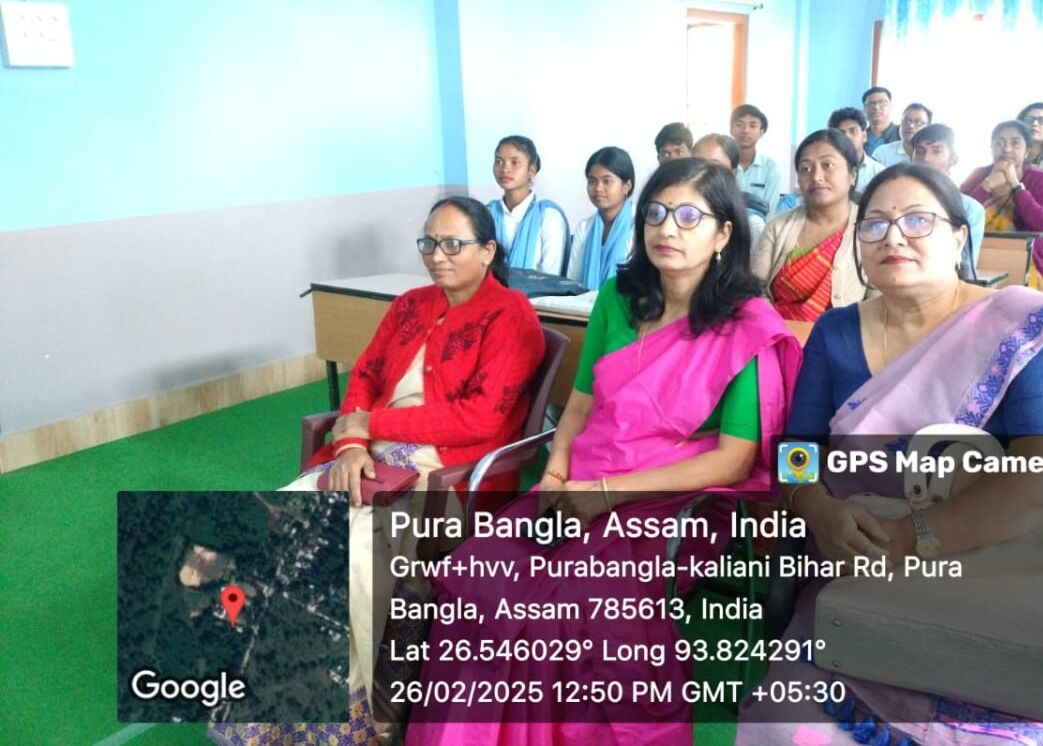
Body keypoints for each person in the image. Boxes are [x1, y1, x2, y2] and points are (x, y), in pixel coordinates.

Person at [737, 163, 1043, 746]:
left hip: (997, 572)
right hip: (859, 569)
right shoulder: (836, 332)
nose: (893, 237)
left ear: (959, 236)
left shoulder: (1014, 327)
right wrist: (817, 507)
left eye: (917, 220)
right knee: (787, 724)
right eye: (874, 225)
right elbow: (799, 450)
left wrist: (912, 537)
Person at [407, 158, 803, 744]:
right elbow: (579, 406)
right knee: (476, 580)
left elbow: (733, 460)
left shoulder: (744, 323)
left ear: (723, 233)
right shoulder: (620, 297)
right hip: (582, 477)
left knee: (572, 617)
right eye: (656, 213)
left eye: (689, 216)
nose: (667, 228)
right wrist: (555, 476)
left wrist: (606, 494)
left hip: (673, 499)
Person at [210, 196, 545, 746]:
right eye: (429, 243)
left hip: (447, 474)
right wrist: (350, 443)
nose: (437, 255)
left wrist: (371, 423)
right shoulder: (410, 305)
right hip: (370, 455)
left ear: (488, 251)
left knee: (352, 561)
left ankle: (358, 717)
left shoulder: (510, 316)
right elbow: (364, 375)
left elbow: (479, 417)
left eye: (453, 244)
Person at [754, 129, 867, 321]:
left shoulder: (869, 231)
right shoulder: (778, 227)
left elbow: (878, 300)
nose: (816, 176)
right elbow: (754, 290)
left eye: (828, 165)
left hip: (845, 335)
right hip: (778, 332)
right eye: (805, 169)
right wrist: (776, 329)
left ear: (852, 175)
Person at [960, 120, 1043, 290]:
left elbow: (1040, 222)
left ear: (1027, 150)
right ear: (991, 148)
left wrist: (1015, 185)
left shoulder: (1041, 180)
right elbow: (959, 217)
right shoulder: (977, 175)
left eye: (1015, 143)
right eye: (999, 143)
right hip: (974, 253)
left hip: (1026, 259)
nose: (1006, 149)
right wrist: (987, 185)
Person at [488, 135, 569, 274]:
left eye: (515, 162)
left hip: (540, 289)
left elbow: (551, 276)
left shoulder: (549, 216)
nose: (505, 169)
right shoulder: (487, 213)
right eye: (499, 161)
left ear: (531, 171)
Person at [911, 123, 983, 275]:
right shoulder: (898, 200)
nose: (925, 158)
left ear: (953, 160)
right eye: (920, 152)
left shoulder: (969, 208)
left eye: (936, 151)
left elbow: (965, 267)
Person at [566, 146, 636, 289]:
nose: (598, 188)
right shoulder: (584, 228)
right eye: (592, 181)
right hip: (582, 303)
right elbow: (572, 282)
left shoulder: (639, 227)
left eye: (607, 181)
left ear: (627, 186)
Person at [694, 132, 767, 244]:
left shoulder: (751, 224)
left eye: (713, 167)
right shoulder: (681, 212)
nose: (702, 173)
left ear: (733, 173)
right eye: (696, 165)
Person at [732, 103, 782, 209]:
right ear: (731, 130)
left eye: (752, 125)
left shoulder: (770, 168)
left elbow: (770, 210)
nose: (745, 131)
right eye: (739, 125)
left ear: (761, 132)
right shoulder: (722, 164)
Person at [828, 106, 884, 196]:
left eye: (853, 131)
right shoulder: (825, 170)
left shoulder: (879, 173)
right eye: (841, 133)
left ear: (864, 136)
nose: (847, 137)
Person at [873, 102, 931, 167]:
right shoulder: (882, 153)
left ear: (928, 127)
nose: (910, 126)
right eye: (906, 120)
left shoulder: (933, 155)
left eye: (918, 122)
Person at [862, 86, 899, 157]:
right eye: (871, 103)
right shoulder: (860, 136)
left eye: (882, 102)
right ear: (864, 109)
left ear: (891, 106)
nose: (876, 107)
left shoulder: (901, 135)